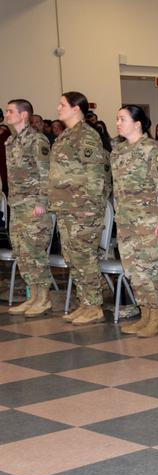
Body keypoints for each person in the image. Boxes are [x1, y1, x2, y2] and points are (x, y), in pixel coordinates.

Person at [111, 105, 158, 337]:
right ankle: (145, 313)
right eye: (117, 119)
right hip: (127, 221)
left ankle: (156, 317)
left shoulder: (153, 150)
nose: (118, 123)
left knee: (149, 269)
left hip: (149, 221)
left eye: (122, 119)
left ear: (137, 124)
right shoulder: (117, 152)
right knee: (133, 270)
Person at [48, 92, 110, 325]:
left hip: (82, 208)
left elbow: (95, 175)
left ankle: (94, 305)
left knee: (85, 257)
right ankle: (85, 302)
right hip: (66, 208)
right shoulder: (66, 136)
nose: (58, 108)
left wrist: (89, 206)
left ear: (76, 108)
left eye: (62, 104)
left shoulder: (86, 136)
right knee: (73, 257)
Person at [5, 99, 53, 317]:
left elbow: (46, 173)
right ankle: (32, 296)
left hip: (33, 206)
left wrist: (42, 202)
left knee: (35, 252)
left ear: (23, 115)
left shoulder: (37, 140)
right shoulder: (12, 142)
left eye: (10, 111)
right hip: (17, 205)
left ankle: (44, 299)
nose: (6, 114)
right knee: (22, 253)